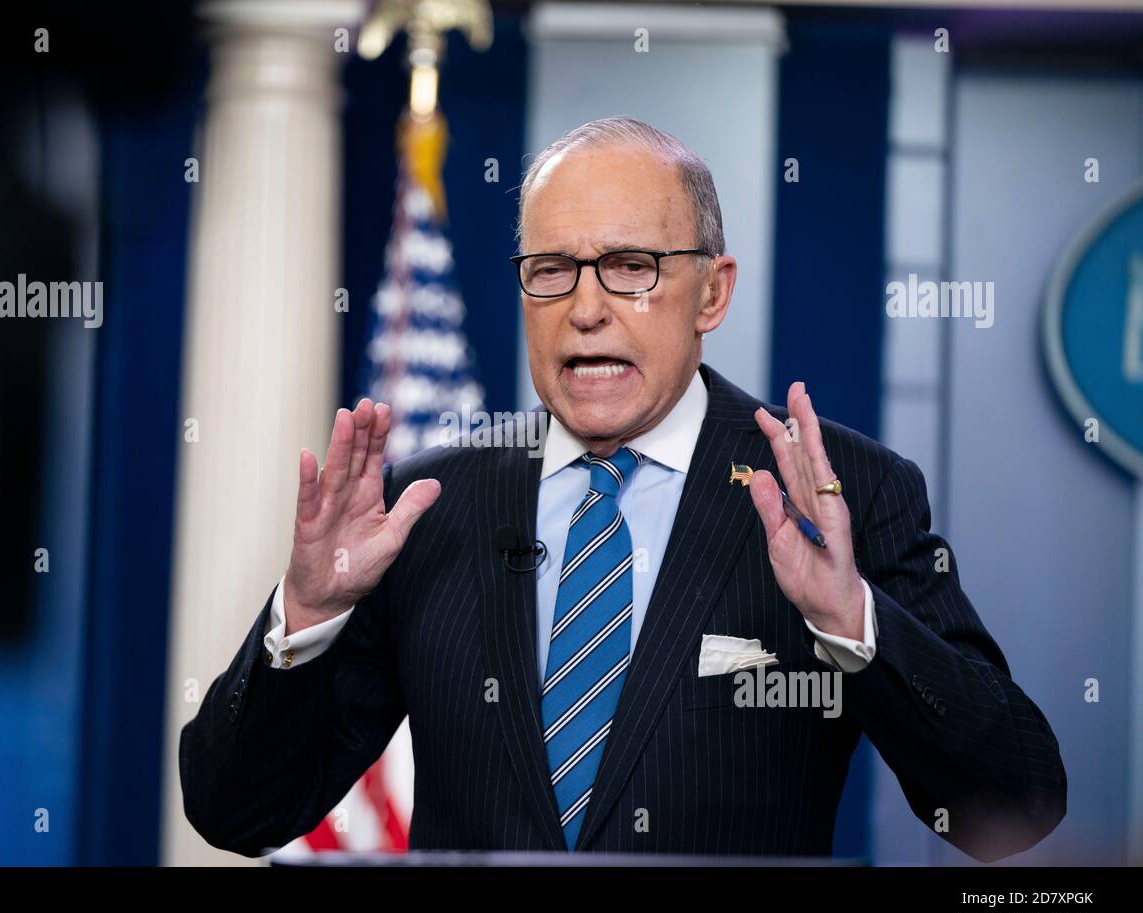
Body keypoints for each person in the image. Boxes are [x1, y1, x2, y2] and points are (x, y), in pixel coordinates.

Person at [179, 117, 1065, 861]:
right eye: (552, 270)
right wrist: (305, 619)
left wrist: (855, 625)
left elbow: (1017, 806)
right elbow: (237, 814)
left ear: (711, 294)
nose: (587, 307)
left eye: (632, 267)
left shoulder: (839, 490)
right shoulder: (423, 508)